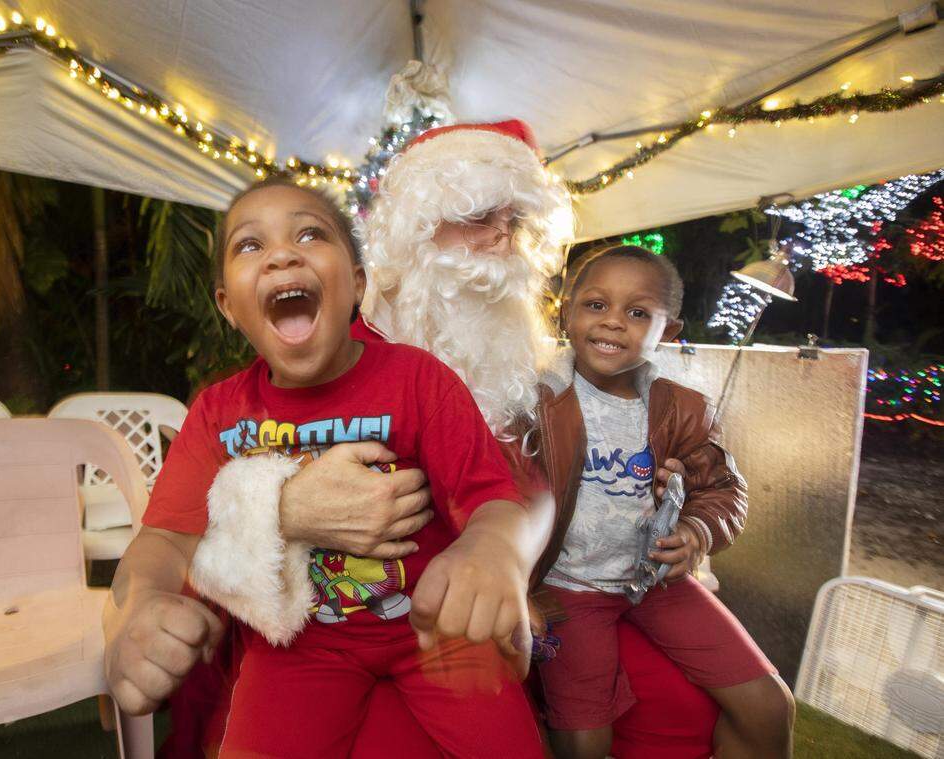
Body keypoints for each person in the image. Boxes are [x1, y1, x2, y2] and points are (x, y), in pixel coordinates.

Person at [107, 177, 545, 757]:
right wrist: (138, 607)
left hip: (438, 631)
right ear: (228, 307)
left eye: (310, 234)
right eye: (249, 245)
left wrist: (492, 552)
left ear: (356, 285)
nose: (282, 254)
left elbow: (495, 501)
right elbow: (164, 539)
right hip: (298, 646)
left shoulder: (419, 379)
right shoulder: (218, 412)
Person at [532, 244, 796, 759]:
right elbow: (499, 487)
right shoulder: (535, 397)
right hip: (568, 590)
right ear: (565, 310)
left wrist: (697, 531)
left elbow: (723, 488)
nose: (612, 323)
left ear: (668, 331)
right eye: (595, 305)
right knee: (584, 740)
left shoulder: (682, 407)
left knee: (770, 705)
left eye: (637, 313)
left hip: (654, 583)